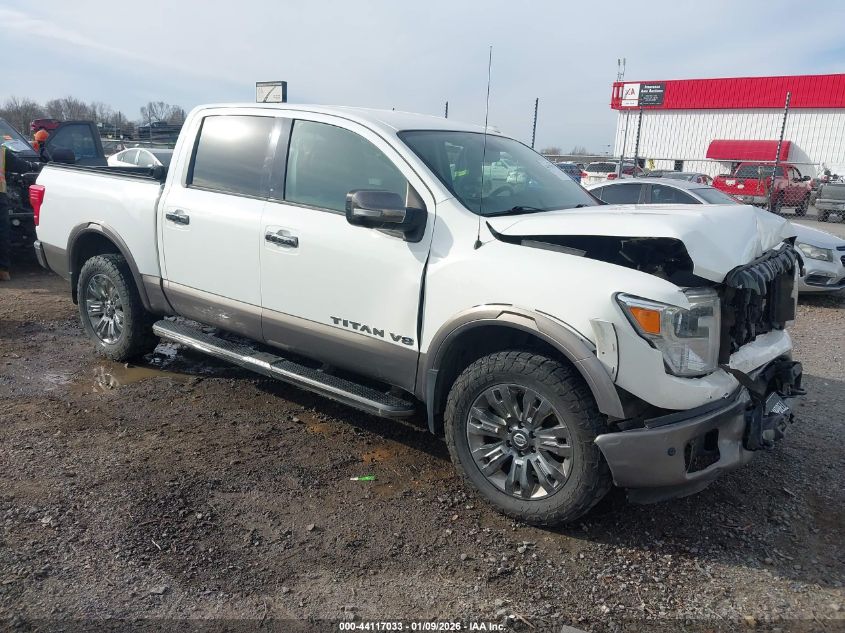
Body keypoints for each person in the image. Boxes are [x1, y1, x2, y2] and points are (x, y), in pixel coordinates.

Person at [1, 143, 42, 281]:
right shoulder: (2, 152)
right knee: (2, 232)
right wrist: (34, 166)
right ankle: (3, 270)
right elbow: (20, 166)